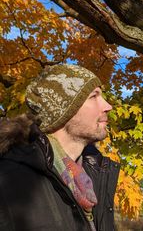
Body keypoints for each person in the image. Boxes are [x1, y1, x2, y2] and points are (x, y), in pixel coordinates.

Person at [0, 64, 120, 231]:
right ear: (63, 112)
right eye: (94, 97)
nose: (108, 106)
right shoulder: (9, 181)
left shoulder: (94, 175)